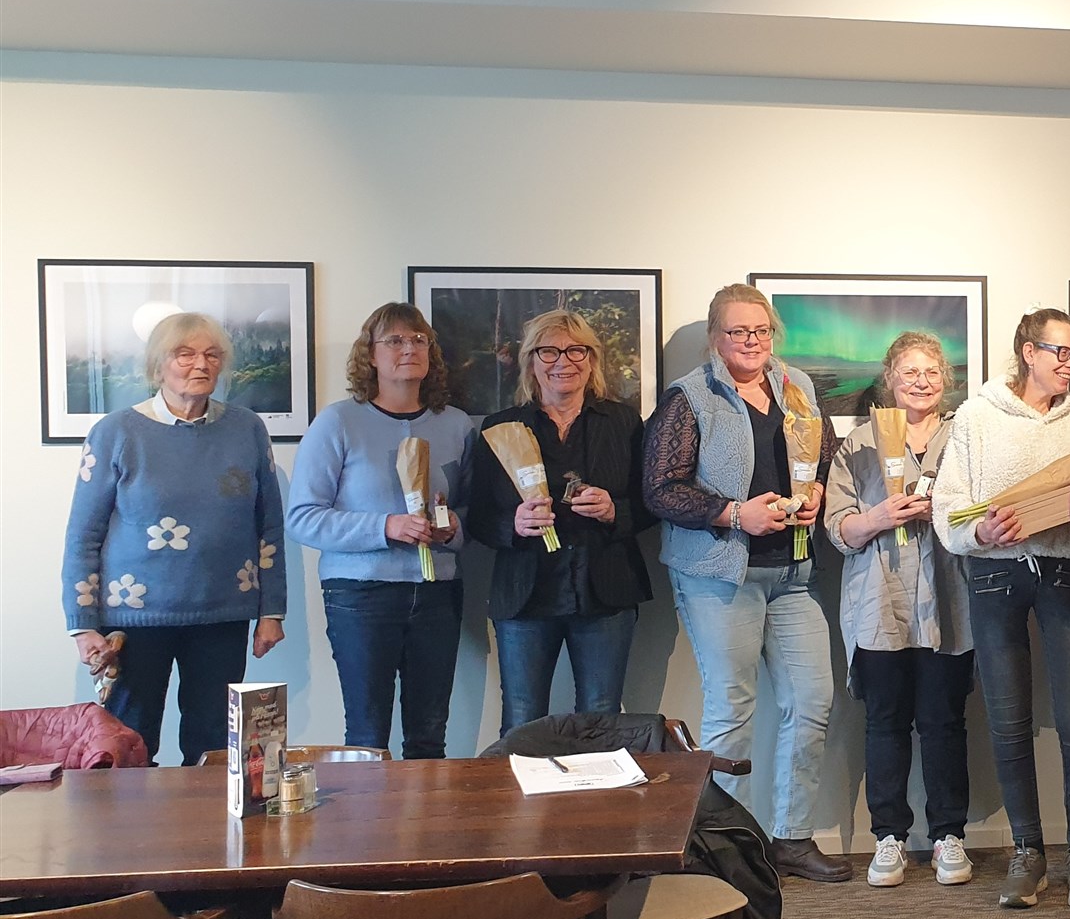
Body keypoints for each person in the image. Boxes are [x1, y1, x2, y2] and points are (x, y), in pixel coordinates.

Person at [644, 283, 849, 883]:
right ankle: (722, 851)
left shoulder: (797, 386)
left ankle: (791, 839)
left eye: (760, 330)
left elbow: (824, 455)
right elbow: (660, 490)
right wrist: (735, 514)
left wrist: (815, 493)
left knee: (811, 704)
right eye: (738, 331)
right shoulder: (689, 397)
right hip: (719, 576)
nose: (751, 341)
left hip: (793, 575)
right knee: (730, 709)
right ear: (716, 337)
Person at [931, 308, 1070, 910]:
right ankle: (1027, 852)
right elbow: (949, 508)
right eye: (1060, 352)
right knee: (1007, 720)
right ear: (1027, 351)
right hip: (995, 574)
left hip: (1064, 574)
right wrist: (980, 532)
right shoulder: (977, 416)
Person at [62, 312, 287, 765]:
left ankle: (208, 816)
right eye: (184, 354)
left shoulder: (247, 429)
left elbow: (269, 527)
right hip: (134, 618)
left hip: (223, 612)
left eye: (211, 355)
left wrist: (272, 612)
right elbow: (84, 535)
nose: (200, 364)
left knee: (216, 746)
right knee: (129, 742)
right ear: (157, 365)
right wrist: (83, 624)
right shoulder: (116, 433)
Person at [823, 332, 975, 889]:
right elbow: (837, 529)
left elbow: (986, 513)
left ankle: (948, 835)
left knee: (943, 722)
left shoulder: (965, 439)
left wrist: (946, 513)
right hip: (878, 604)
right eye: (910, 372)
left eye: (932, 372)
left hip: (949, 603)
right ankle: (889, 836)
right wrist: (879, 517)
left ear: (945, 380)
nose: (921, 382)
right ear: (890, 378)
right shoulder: (859, 443)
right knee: (884, 722)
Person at [287, 303, 471, 759]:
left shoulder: (456, 425)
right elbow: (303, 517)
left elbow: (474, 512)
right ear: (370, 355)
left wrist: (451, 528)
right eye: (394, 340)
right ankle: (368, 810)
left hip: (438, 593)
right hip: (360, 595)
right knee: (367, 734)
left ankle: (426, 809)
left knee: (429, 735)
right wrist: (386, 526)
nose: (409, 349)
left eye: (419, 340)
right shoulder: (338, 422)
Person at [469, 310, 653, 735]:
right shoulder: (501, 428)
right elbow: (477, 516)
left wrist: (615, 511)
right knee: (522, 718)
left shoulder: (623, 422)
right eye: (548, 351)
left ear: (591, 360)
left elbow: (652, 504)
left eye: (576, 351)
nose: (563, 362)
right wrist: (513, 525)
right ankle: (522, 786)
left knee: (601, 717)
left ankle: (595, 784)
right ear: (530, 361)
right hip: (525, 595)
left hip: (604, 592)